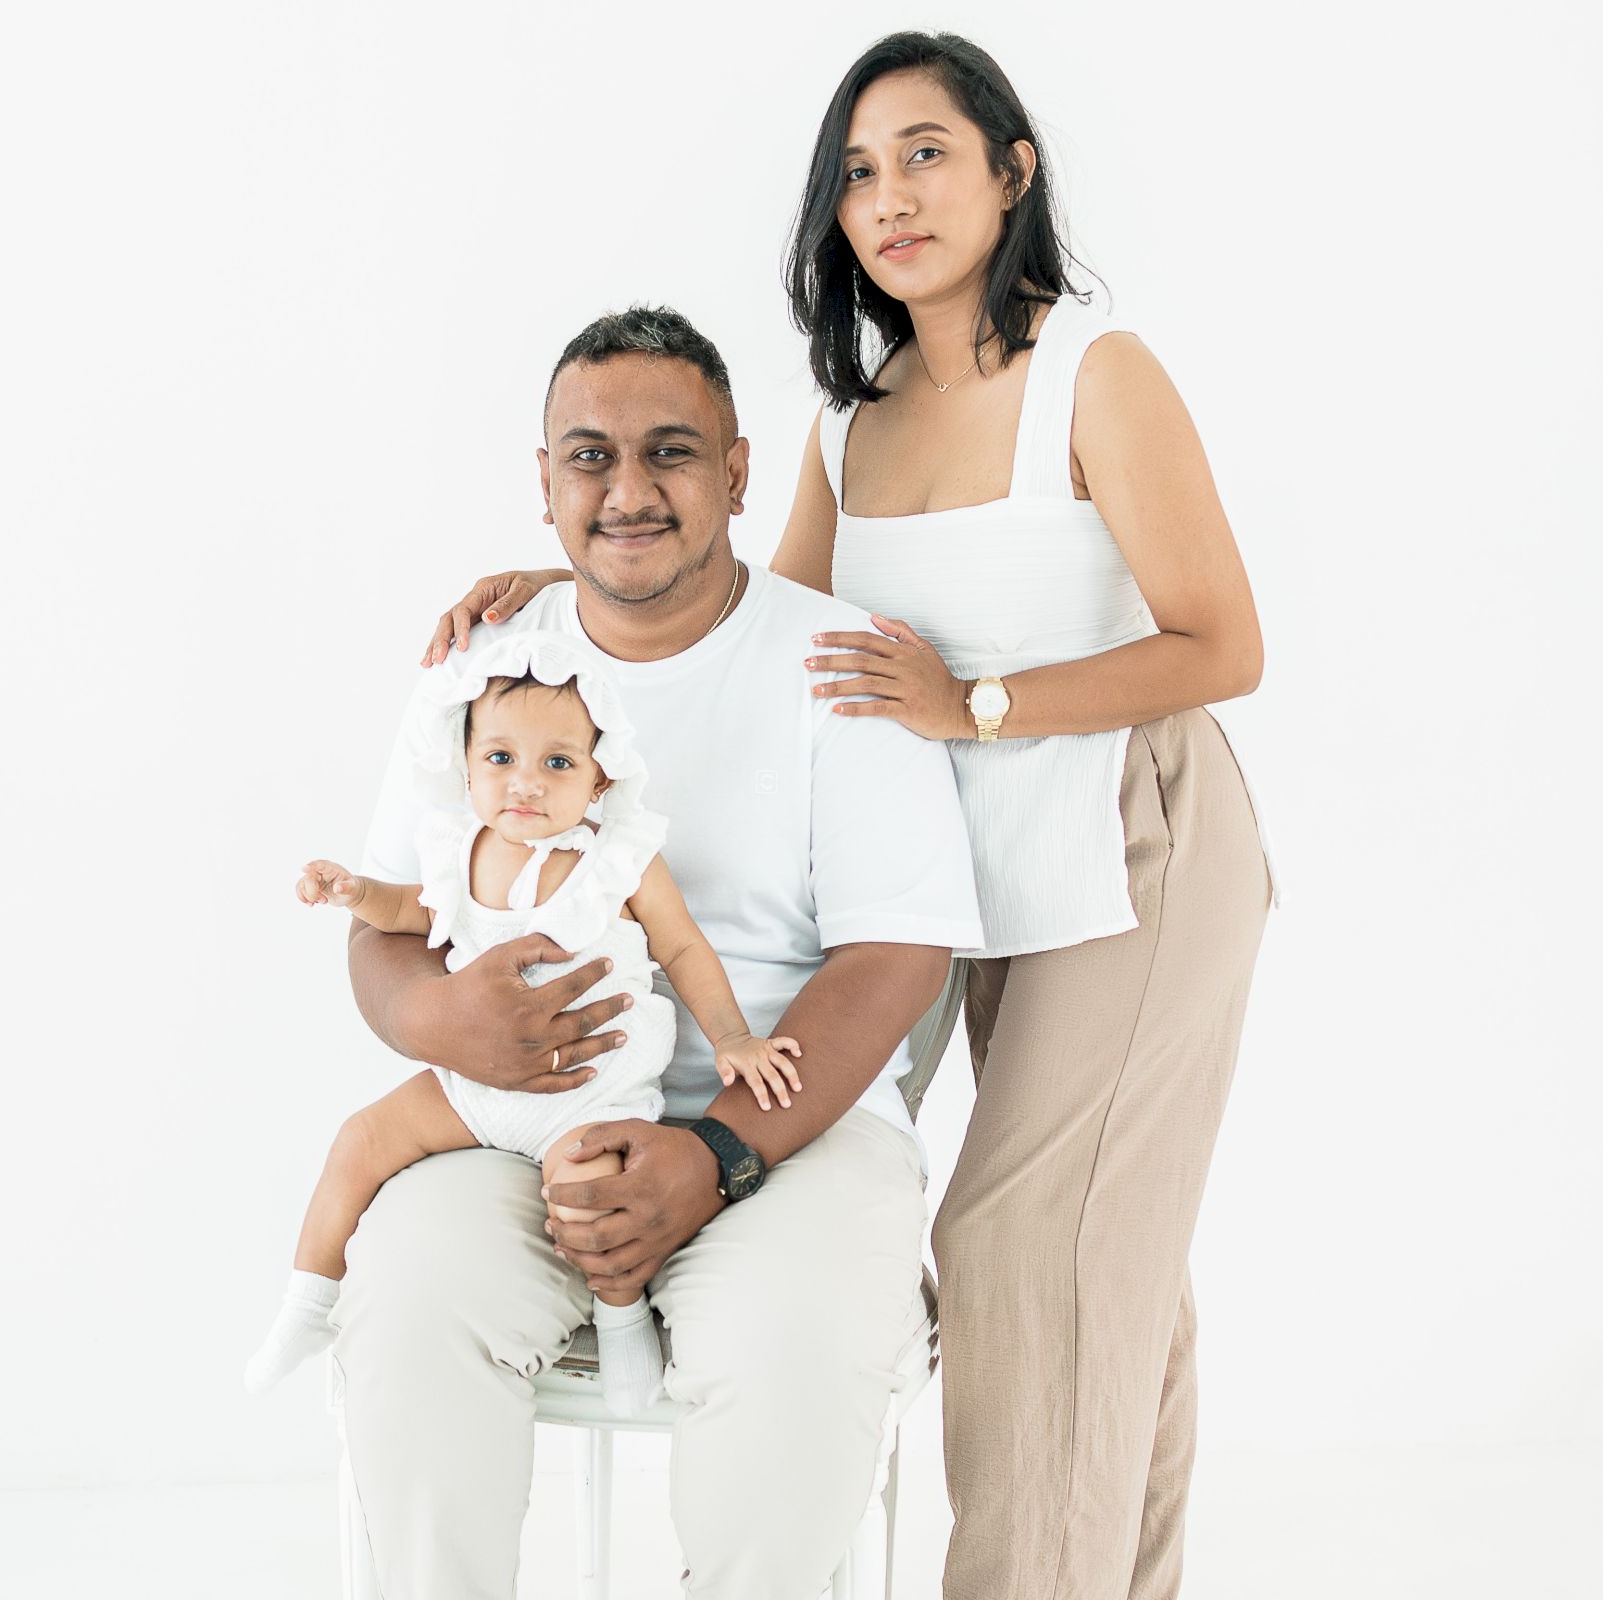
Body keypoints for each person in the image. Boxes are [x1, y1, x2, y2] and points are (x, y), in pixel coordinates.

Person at [425, 31, 1278, 1600]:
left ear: (1013, 172)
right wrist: (586, 571)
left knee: (1027, 1242)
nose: (890, 197)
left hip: (1131, 839)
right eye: (860, 172)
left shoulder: (1096, 374)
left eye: (927, 154)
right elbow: (768, 624)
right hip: (957, 865)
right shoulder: (852, 422)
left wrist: (979, 705)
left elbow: (1223, 645)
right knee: (1108, 1257)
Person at [339, 304, 983, 1597]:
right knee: (408, 1293)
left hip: (790, 1129)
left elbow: (899, 956)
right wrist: (436, 1021)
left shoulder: (839, 663)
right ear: (544, 484)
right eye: (590, 457)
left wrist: (716, 1154)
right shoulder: (479, 672)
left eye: (671, 454)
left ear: (737, 472)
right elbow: (386, 922)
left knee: (794, 1343)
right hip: (519, 1122)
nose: (627, 491)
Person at [243, 633, 803, 1415]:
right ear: (467, 767)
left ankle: (620, 1321)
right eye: (501, 759)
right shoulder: (460, 849)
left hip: (590, 1096)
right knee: (359, 1139)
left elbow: (682, 947)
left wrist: (732, 1036)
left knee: (594, 1209)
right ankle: (307, 1303)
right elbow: (410, 911)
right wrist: (354, 892)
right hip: (479, 1086)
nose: (526, 783)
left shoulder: (619, 860)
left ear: (599, 776)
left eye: (558, 762)